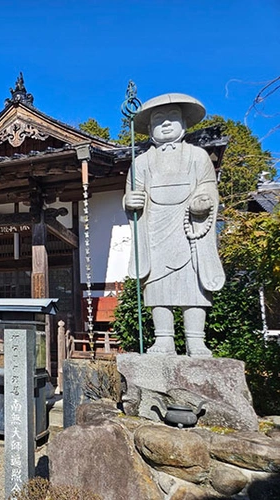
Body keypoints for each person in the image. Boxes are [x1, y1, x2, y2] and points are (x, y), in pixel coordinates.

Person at [124, 93, 225, 357]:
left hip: (188, 227)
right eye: (159, 119)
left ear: (183, 123)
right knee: (157, 285)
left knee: (192, 284)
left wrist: (203, 201)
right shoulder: (141, 162)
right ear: (149, 129)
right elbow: (133, 195)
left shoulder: (198, 156)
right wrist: (130, 201)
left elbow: (208, 187)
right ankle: (164, 338)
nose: (167, 123)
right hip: (155, 227)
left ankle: (196, 340)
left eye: (173, 117)